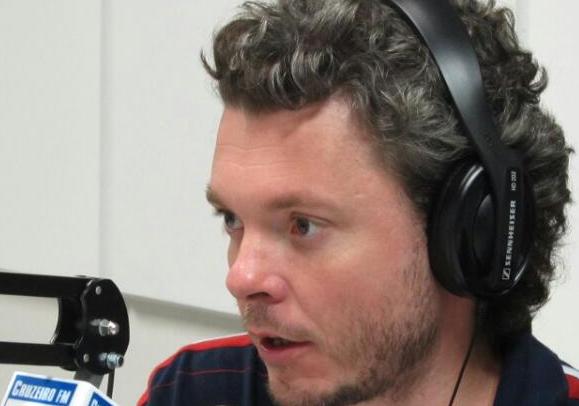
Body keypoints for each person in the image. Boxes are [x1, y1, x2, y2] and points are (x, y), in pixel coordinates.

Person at [138, 0, 578, 405]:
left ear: (470, 235)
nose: (240, 277)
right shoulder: (193, 391)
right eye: (233, 219)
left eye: (303, 225)